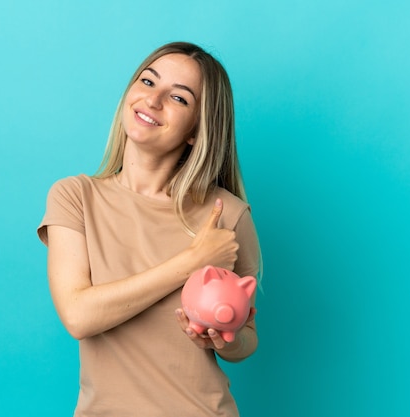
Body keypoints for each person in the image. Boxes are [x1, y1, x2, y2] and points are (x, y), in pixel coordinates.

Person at [37, 41, 261, 417]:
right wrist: (193, 260)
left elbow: (247, 341)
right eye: (147, 81)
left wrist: (224, 340)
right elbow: (79, 315)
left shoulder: (226, 214)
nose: (153, 101)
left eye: (178, 98)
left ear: (196, 130)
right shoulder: (75, 197)